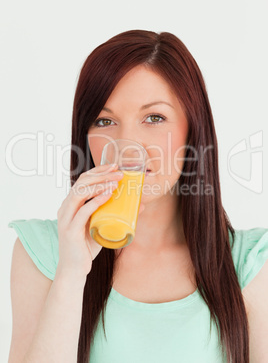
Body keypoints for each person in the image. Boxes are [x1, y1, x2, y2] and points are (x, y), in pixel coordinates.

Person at [8, 30, 268, 363]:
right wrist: (72, 274)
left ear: (193, 130)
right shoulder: (43, 253)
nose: (127, 146)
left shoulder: (249, 264)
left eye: (154, 118)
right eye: (105, 120)